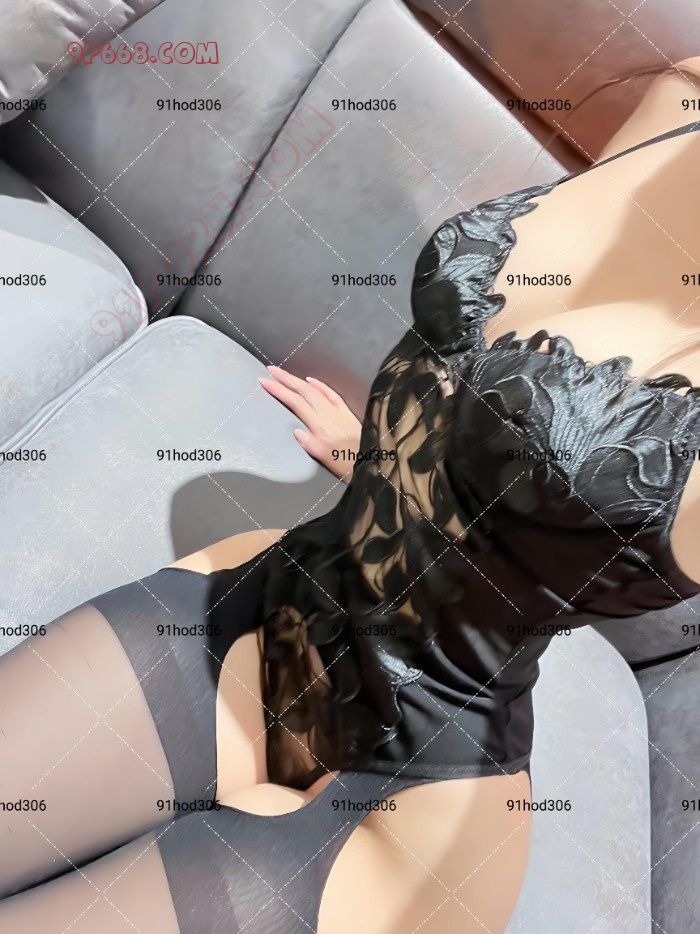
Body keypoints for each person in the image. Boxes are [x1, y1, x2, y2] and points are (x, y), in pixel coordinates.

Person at [1, 58, 700, 933]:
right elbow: (501, 380)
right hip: (275, 607)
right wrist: (394, 455)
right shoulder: (681, 99)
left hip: (413, 806)